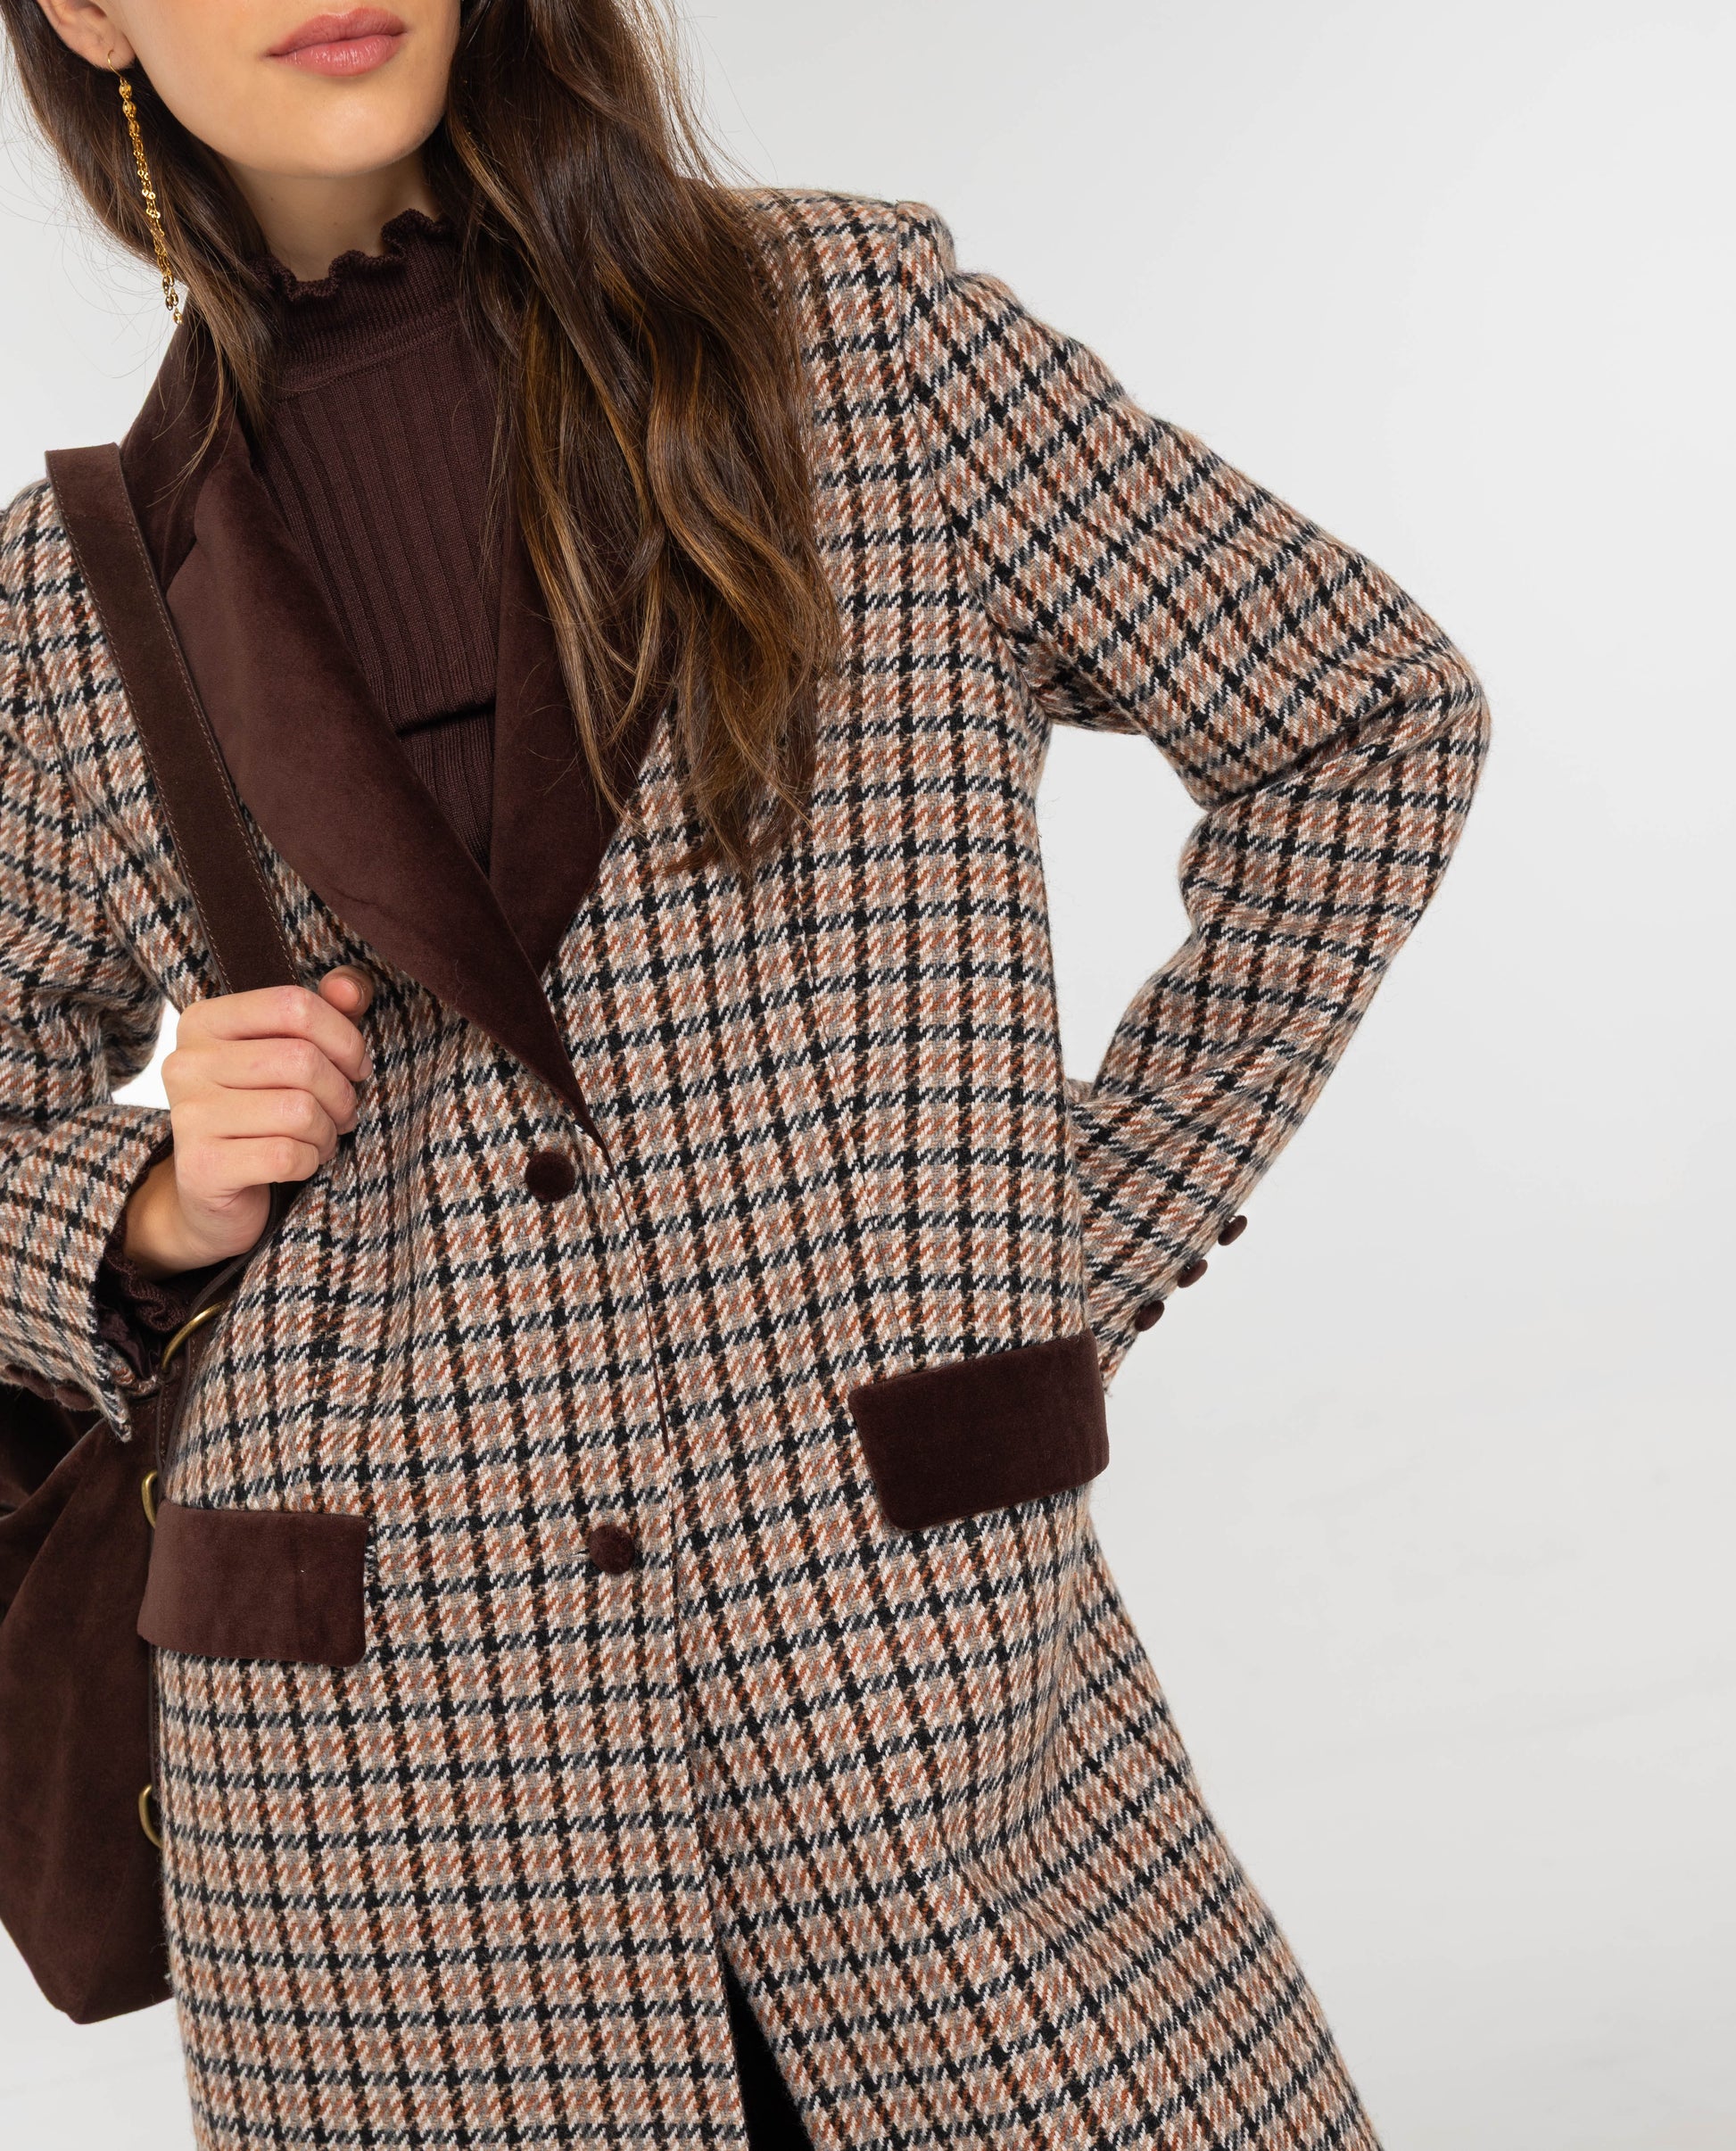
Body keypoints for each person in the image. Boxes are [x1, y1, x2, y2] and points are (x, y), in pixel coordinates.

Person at [0, 0, 1492, 2144]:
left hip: (909, 1668)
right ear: (85, 10)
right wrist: (144, 1199)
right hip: (388, 1795)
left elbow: (1360, 715)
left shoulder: (851, 339)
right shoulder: (66, 600)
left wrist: (1057, 1242)